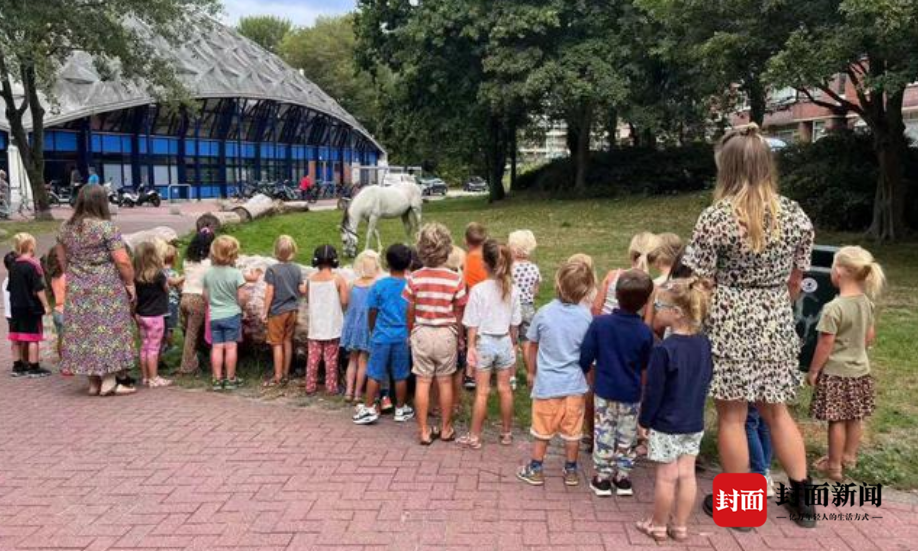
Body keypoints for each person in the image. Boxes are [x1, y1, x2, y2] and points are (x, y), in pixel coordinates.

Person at [682, 123, 817, 527]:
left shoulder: (717, 217)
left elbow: (700, 282)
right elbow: (798, 279)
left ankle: (741, 510)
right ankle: (803, 502)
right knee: (778, 412)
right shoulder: (794, 214)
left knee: (733, 416)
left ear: (729, 167)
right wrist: (774, 303)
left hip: (730, 318)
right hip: (776, 316)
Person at [634, 278, 714, 543]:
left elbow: (654, 392)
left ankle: (657, 525)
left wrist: (644, 421)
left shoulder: (664, 350)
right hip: (693, 421)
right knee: (687, 474)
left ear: (677, 313)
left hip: (667, 423)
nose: (655, 309)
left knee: (666, 478)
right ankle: (679, 526)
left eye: (659, 305)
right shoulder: (704, 345)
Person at [807, 246, 885, 482]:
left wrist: (813, 370)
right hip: (860, 370)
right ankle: (849, 457)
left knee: (837, 419)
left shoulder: (834, 308)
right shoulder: (866, 303)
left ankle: (834, 465)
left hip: (836, 372)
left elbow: (825, 344)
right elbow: (869, 336)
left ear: (839, 272)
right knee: (855, 416)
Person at [517, 259, 595, 486]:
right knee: (573, 432)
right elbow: (587, 351)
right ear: (586, 289)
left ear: (558, 283)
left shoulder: (543, 313)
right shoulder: (586, 316)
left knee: (542, 430)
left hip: (548, 384)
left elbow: (532, 345)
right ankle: (571, 470)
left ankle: (536, 468)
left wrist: (531, 372)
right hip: (574, 385)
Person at [580, 269, 655, 497]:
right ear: (644, 303)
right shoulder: (644, 331)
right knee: (627, 434)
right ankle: (623, 477)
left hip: (604, 388)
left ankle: (602, 477)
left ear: (616, 295)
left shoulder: (600, 324)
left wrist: (584, 370)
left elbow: (586, 353)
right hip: (631, 392)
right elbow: (645, 364)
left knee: (604, 431)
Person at [57, 185, 136, 396]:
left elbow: (62, 259)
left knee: (83, 332)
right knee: (109, 329)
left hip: (77, 287)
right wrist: (129, 283)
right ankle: (109, 379)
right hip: (106, 287)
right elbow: (122, 260)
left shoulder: (65, 228)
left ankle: (93, 382)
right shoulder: (106, 228)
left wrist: (76, 274)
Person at [404, 223, 467, 445]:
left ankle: (423, 430)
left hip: (422, 331)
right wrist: (460, 336)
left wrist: (410, 330)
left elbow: (410, 307)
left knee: (422, 381)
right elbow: (459, 310)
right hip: (446, 333)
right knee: (445, 382)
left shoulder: (414, 278)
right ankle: (446, 428)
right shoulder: (455, 279)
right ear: (447, 249)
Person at [459, 239, 521, 449]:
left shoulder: (478, 290)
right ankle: (506, 433)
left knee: (482, 392)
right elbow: (515, 323)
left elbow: (471, 323)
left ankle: (475, 436)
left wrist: (470, 347)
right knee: (505, 389)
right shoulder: (513, 290)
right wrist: (513, 344)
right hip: (504, 340)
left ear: (484, 263)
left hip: (484, 342)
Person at [353, 244, 414, 425]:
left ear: (387, 263)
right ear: (409, 263)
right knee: (401, 374)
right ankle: (400, 409)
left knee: (375, 372)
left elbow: (372, 310)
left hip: (381, 335)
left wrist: (373, 329)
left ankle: (370, 407)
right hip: (402, 335)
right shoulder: (411, 285)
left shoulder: (379, 286)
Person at [203, 235, 247, 391]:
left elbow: (205, 295)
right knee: (230, 347)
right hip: (231, 314)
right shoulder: (236, 274)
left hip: (214, 315)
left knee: (216, 347)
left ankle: (216, 379)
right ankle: (230, 378)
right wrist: (240, 306)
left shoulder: (208, 274)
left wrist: (213, 304)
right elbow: (242, 296)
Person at [261, 235, 305, 387]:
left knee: (277, 343)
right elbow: (301, 289)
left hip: (277, 311)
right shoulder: (296, 269)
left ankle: (278, 375)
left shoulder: (272, 270)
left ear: (275, 251)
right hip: (292, 311)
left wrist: (264, 311)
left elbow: (270, 292)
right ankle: (286, 373)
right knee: (287, 341)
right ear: (293, 251)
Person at [305, 245, 348, 395]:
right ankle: (331, 387)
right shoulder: (338, 279)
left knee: (313, 358)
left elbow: (308, 299)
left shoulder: (310, 279)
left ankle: (310, 385)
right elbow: (344, 301)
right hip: (332, 325)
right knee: (331, 358)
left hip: (315, 325)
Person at [8, 233, 52, 378]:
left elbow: (10, 287)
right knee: (33, 337)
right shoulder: (33, 266)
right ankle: (34, 366)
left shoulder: (14, 266)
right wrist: (45, 304)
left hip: (15, 306)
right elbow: (38, 288)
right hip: (31, 307)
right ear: (31, 246)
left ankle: (17, 365)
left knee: (16, 337)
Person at [341, 250, 380, 403]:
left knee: (352, 359)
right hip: (368, 326)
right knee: (364, 360)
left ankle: (348, 392)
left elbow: (348, 305)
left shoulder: (352, 284)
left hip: (353, 326)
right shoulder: (376, 286)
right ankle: (358, 393)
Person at [132, 241, 172, 388]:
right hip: (156, 315)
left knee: (144, 346)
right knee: (154, 347)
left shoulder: (135, 276)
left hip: (141, 315)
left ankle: (145, 376)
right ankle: (154, 377)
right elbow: (166, 289)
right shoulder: (158, 275)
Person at [592, 232, 659, 316]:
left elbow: (595, 308)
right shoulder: (652, 287)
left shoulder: (613, 275)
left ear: (631, 253)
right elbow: (647, 323)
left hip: (603, 325)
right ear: (654, 258)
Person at [178, 229, 214, 375]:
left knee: (190, 331)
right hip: (198, 299)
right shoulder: (209, 264)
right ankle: (187, 367)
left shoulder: (187, 261)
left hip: (185, 297)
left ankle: (194, 359)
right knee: (192, 334)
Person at [509, 230, 541, 392]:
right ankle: (531, 374)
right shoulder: (534, 268)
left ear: (513, 249)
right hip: (528, 307)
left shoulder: (510, 268)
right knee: (527, 343)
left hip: (512, 307)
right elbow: (536, 290)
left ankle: (512, 377)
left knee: (512, 342)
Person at [461, 223, 488, 389]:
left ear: (466, 241)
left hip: (472, 301)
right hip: (489, 301)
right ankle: (484, 368)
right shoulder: (488, 257)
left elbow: (465, 283)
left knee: (471, 337)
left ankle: (469, 373)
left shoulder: (468, 258)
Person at [42, 246, 68, 372]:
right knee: (68, 341)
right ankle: (68, 365)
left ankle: (63, 364)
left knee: (60, 339)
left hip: (57, 311)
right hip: (66, 311)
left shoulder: (54, 277)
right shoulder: (65, 276)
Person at [4, 250, 25, 375]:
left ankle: (17, 363)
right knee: (22, 338)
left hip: (9, 314)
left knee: (15, 339)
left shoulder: (6, 280)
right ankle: (23, 360)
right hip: (17, 312)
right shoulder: (16, 280)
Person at [162, 245, 183, 354]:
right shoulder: (174, 274)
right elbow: (178, 288)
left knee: (163, 325)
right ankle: (169, 346)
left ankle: (162, 344)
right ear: (174, 259)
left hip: (160, 303)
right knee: (170, 328)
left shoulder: (158, 272)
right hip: (172, 303)